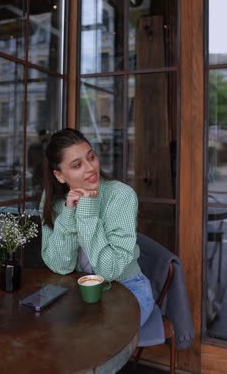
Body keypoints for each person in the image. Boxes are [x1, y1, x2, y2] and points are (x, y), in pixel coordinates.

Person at [40, 127, 156, 327]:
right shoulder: (53, 201)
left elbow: (109, 270)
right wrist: (68, 212)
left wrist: (86, 210)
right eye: (77, 165)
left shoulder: (121, 195)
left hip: (127, 288)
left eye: (91, 157)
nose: (90, 168)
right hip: (78, 287)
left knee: (97, 340)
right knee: (52, 333)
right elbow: (60, 265)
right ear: (59, 175)